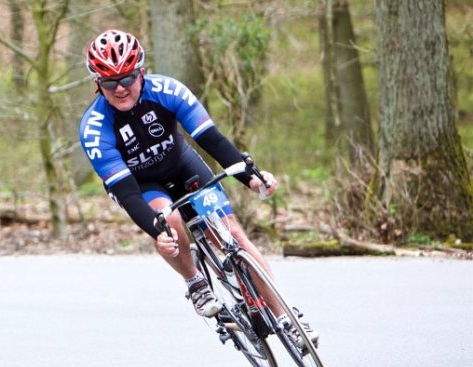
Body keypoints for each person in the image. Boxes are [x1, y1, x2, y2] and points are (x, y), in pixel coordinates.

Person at [77, 30, 317, 345]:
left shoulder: (168, 90)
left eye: (128, 78)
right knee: (170, 220)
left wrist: (252, 177)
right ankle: (195, 282)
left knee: (233, 235)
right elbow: (127, 193)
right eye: (110, 83)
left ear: (142, 73)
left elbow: (210, 139)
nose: (120, 88)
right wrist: (157, 232)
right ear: (98, 85)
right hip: (141, 184)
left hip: (181, 165)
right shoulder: (95, 128)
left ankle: (285, 318)